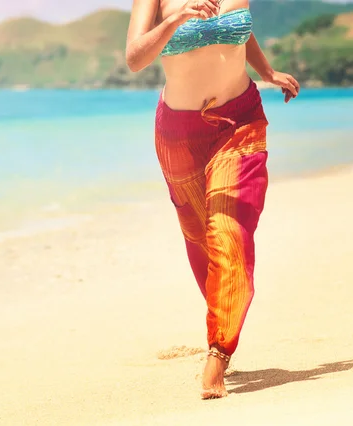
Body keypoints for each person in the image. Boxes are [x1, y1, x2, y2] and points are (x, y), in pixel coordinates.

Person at [125, 0, 300, 399]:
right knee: (201, 240)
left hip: (241, 121)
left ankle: (218, 354)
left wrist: (267, 72)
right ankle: (225, 310)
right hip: (178, 133)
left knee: (229, 231)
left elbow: (239, 30)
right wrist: (175, 19)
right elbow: (135, 58)